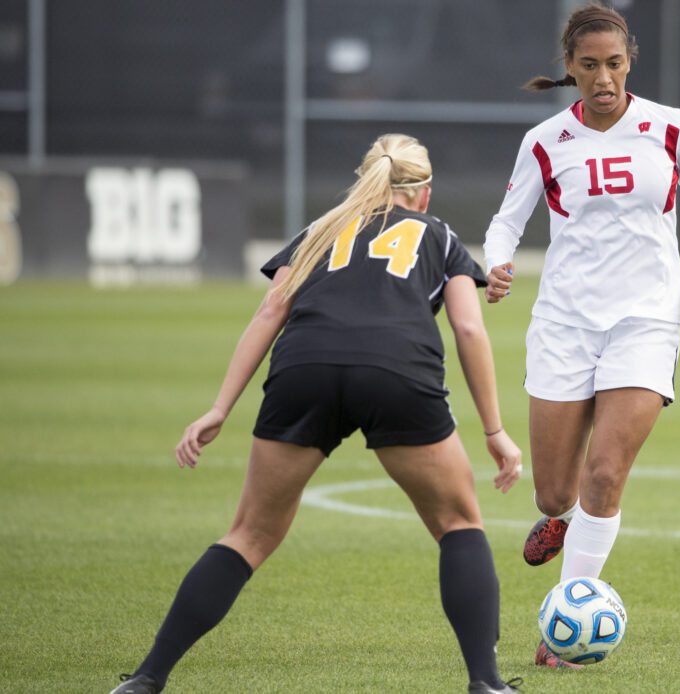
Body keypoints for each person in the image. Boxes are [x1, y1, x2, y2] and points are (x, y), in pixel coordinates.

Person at [110, 134, 524, 694]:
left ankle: (147, 678)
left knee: (248, 536)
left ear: (365, 179)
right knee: (458, 524)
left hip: (304, 367)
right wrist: (495, 431)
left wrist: (218, 409)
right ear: (423, 193)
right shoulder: (440, 234)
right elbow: (469, 328)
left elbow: (269, 312)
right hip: (396, 372)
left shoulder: (319, 230)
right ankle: (487, 683)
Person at [482, 2, 680, 669]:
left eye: (614, 64)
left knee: (605, 473)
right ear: (569, 67)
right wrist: (496, 263)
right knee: (553, 492)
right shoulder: (544, 140)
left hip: (645, 322)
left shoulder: (672, 130)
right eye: (588, 65)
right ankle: (562, 521)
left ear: (631, 61)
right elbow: (507, 220)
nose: (603, 78)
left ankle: (563, 630)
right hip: (564, 324)